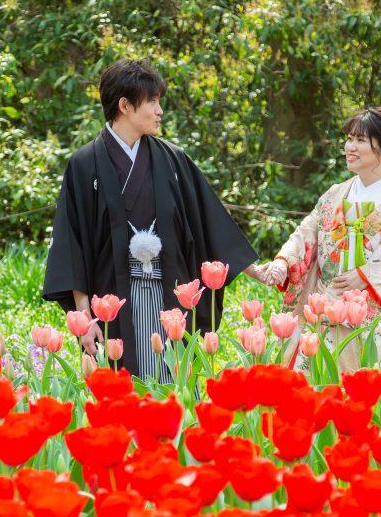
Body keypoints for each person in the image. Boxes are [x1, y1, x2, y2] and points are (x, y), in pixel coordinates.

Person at [43, 59, 263, 379]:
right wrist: (84, 318)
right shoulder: (83, 164)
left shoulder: (173, 159)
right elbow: (71, 246)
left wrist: (254, 269)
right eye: (153, 102)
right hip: (112, 301)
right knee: (121, 391)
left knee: (171, 385)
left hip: (167, 293)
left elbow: (209, 222)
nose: (160, 111)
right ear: (125, 106)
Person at [262, 106, 381, 370]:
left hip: (375, 314)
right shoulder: (336, 194)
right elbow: (307, 233)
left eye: (361, 140)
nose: (350, 147)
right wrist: (284, 261)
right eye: (349, 139)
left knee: (367, 391)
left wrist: (365, 275)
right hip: (328, 306)